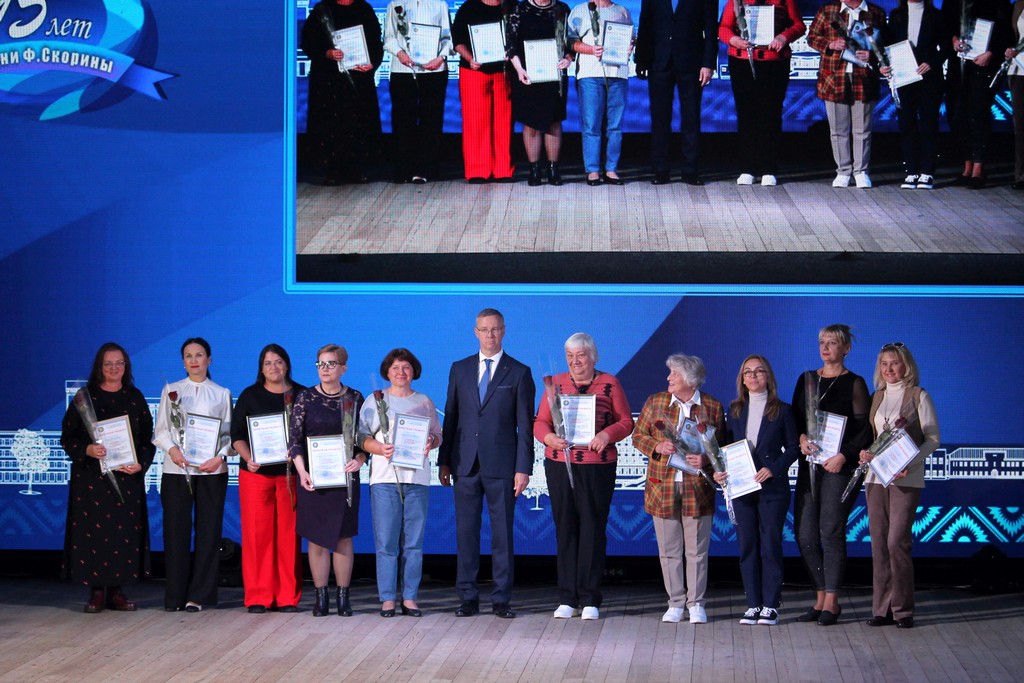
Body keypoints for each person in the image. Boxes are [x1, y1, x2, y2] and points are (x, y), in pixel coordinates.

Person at [438, 308, 536, 619]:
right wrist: (444, 461)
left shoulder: (519, 372)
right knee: (466, 534)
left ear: (503, 331)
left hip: (503, 467)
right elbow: (451, 417)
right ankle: (467, 597)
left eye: (495, 329)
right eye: (484, 329)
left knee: (502, 535)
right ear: (475, 332)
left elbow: (525, 426)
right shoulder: (460, 369)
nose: (490, 335)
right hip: (464, 464)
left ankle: (501, 599)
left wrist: (523, 468)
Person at [533, 333, 634, 620]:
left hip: (597, 465)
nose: (575, 361)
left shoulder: (610, 383)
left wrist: (606, 435)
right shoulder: (554, 384)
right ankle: (567, 598)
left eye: (581, 355)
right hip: (559, 463)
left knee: (592, 527)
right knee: (565, 527)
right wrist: (549, 438)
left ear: (593, 356)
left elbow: (626, 422)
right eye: (570, 356)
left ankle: (590, 597)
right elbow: (540, 422)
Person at [60, 343, 155, 613]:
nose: (114, 368)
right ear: (99, 367)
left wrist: (140, 464)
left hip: (126, 479)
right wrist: (88, 449)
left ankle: (116, 591)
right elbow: (68, 437)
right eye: (108, 363)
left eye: (119, 363)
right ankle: (96, 592)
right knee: (93, 534)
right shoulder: (84, 398)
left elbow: (147, 440)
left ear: (126, 367)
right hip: (92, 480)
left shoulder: (134, 397)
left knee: (122, 534)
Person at [632, 354, 726, 624]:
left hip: (697, 488)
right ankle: (675, 603)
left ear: (690, 379)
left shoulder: (712, 406)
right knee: (669, 550)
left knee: (697, 551)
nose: (668, 378)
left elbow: (722, 447)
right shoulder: (656, 402)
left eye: (674, 374)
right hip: (662, 487)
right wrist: (657, 446)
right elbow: (638, 436)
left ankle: (696, 604)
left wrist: (706, 459)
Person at [790, 324, 871, 626]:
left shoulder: (855, 383)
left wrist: (844, 456)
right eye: (822, 342)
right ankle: (820, 596)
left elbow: (865, 429)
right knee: (805, 535)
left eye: (833, 343)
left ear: (846, 348)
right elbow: (796, 419)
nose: (825, 348)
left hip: (839, 467)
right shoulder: (807, 380)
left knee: (830, 532)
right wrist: (801, 439)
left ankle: (833, 601)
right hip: (810, 465)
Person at [858, 343, 939, 629]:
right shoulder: (877, 397)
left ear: (906, 366)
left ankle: (903, 610)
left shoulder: (919, 396)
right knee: (879, 543)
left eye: (894, 363)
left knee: (896, 542)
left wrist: (910, 464)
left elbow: (932, 440)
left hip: (906, 477)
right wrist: (865, 453)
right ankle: (882, 609)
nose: (889, 369)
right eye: (884, 364)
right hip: (876, 477)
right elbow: (874, 437)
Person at [715, 355, 799, 626]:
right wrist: (719, 470)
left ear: (768, 376)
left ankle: (771, 605)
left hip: (772, 489)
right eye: (747, 372)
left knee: (770, 545)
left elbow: (794, 448)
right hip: (742, 488)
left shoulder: (783, 410)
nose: (753, 376)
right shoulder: (734, 410)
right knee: (747, 545)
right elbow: (724, 448)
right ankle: (753, 604)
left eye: (759, 371)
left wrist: (773, 469)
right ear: (742, 379)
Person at [359, 348, 443, 618]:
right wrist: (379, 448)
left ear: (414, 371)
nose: (401, 372)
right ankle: (387, 599)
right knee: (386, 543)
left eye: (406, 367)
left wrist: (431, 441)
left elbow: (437, 434)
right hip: (384, 479)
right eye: (395, 367)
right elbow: (360, 437)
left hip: (417, 479)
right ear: (387, 371)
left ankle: (409, 598)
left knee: (414, 544)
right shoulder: (376, 400)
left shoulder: (424, 401)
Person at [153, 337, 233, 612]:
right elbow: (161, 430)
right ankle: (175, 596)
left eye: (199, 355)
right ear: (183, 361)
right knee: (176, 532)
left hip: (211, 471)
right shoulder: (171, 390)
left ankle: (199, 596)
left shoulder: (221, 393)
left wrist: (219, 456)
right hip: (177, 469)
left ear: (209, 359)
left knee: (208, 533)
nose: (194, 360)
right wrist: (173, 450)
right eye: (188, 356)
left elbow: (229, 435)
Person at [289, 344, 367, 617]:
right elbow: (295, 441)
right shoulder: (306, 397)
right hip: (314, 479)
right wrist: (302, 472)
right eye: (320, 364)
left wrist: (360, 459)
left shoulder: (355, 398)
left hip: (345, 479)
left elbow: (364, 439)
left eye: (331, 364)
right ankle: (321, 597)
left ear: (343, 368)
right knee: (317, 539)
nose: (325, 369)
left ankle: (343, 598)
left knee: (343, 538)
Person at [231, 344, 304, 614]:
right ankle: (258, 596)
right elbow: (237, 434)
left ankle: (287, 596)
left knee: (289, 537)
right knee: (256, 536)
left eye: (278, 361)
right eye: (268, 363)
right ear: (261, 368)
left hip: (290, 476)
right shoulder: (249, 395)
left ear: (287, 364)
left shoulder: (301, 394)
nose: (274, 367)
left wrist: (299, 455)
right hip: (256, 474)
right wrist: (248, 457)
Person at [718, 0, 805, 186]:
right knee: (746, 113)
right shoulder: (737, 0)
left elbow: (799, 26)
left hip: (774, 62)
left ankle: (768, 168)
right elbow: (723, 28)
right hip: (742, 62)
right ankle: (747, 167)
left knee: (770, 113)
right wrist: (734, 40)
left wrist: (783, 38)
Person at [634, 0, 719, 185]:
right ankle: (660, 169)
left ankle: (690, 170)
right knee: (659, 118)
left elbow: (711, 29)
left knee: (691, 117)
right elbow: (645, 23)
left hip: (692, 62)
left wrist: (708, 63)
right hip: (659, 61)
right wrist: (641, 59)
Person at [300, 0, 384, 185]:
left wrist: (372, 63)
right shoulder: (322, 10)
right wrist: (327, 52)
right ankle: (333, 170)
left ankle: (355, 169)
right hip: (329, 79)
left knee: (357, 122)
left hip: (358, 78)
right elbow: (308, 41)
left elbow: (376, 42)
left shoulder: (364, 9)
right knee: (332, 123)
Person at [807, 0, 887, 189]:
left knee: (863, 129)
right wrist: (830, 44)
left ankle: (861, 172)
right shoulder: (828, 11)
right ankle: (843, 171)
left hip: (864, 77)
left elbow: (886, 43)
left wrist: (872, 55)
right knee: (838, 129)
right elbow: (811, 38)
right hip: (834, 77)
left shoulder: (875, 12)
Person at [943, 0, 1012, 188]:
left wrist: (991, 53)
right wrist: (953, 40)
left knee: (977, 113)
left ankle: (979, 168)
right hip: (959, 64)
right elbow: (946, 25)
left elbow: (1006, 30)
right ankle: (967, 165)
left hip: (984, 64)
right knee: (957, 115)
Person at [383, 0, 453, 184]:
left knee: (431, 119)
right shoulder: (395, 4)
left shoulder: (440, 5)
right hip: (403, 69)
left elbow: (448, 38)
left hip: (434, 69)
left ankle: (426, 168)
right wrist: (400, 53)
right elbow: (389, 37)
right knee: (403, 120)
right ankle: (404, 168)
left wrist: (441, 57)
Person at [883, 0, 949, 191]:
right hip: (904, 76)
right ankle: (911, 171)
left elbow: (946, 46)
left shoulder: (936, 15)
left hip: (929, 78)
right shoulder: (896, 15)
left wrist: (932, 62)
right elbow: (887, 44)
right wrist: (885, 64)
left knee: (928, 124)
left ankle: (927, 172)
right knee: (906, 123)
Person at [567, 0, 635, 185]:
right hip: (590, 74)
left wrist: (630, 46)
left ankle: (611, 169)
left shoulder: (623, 12)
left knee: (615, 126)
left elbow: (632, 37)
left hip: (618, 74)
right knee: (591, 125)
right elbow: (571, 42)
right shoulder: (579, 11)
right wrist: (591, 50)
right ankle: (592, 170)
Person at [508, 0, 574, 186]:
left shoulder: (562, 9)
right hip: (527, 75)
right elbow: (511, 44)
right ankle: (534, 169)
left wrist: (569, 58)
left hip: (555, 76)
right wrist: (519, 70)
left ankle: (553, 169)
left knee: (554, 122)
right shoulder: (519, 9)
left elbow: (571, 42)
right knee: (531, 123)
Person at [451, 0, 515, 183]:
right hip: (474, 70)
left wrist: (513, 53)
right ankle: (478, 170)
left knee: (504, 121)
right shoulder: (469, 7)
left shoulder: (511, 6)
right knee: (475, 121)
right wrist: (470, 58)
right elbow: (457, 40)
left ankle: (503, 169)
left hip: (504, 71)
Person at [1011, 0, 1024, 190]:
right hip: (1018, 69)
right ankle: (1020, 175)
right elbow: (1011, 35)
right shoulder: (1017, 5)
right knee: (1020, 126)